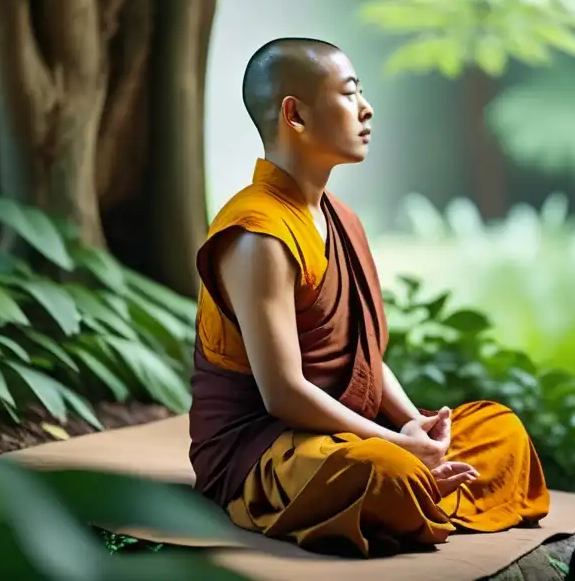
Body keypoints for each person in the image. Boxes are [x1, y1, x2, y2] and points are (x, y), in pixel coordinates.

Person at [188, 38, 550, 557]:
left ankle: (419, 487)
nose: (367, 108)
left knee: (501, 432)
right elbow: (284, 395)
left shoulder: (340, 219)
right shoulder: (258, 235)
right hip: (271, 449)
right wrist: (394, 447)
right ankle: (414, 487)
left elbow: (363, 357)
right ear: (295, 114)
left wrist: (410, 424)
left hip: (343, 435)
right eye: (349, 93)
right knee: (382, 473)